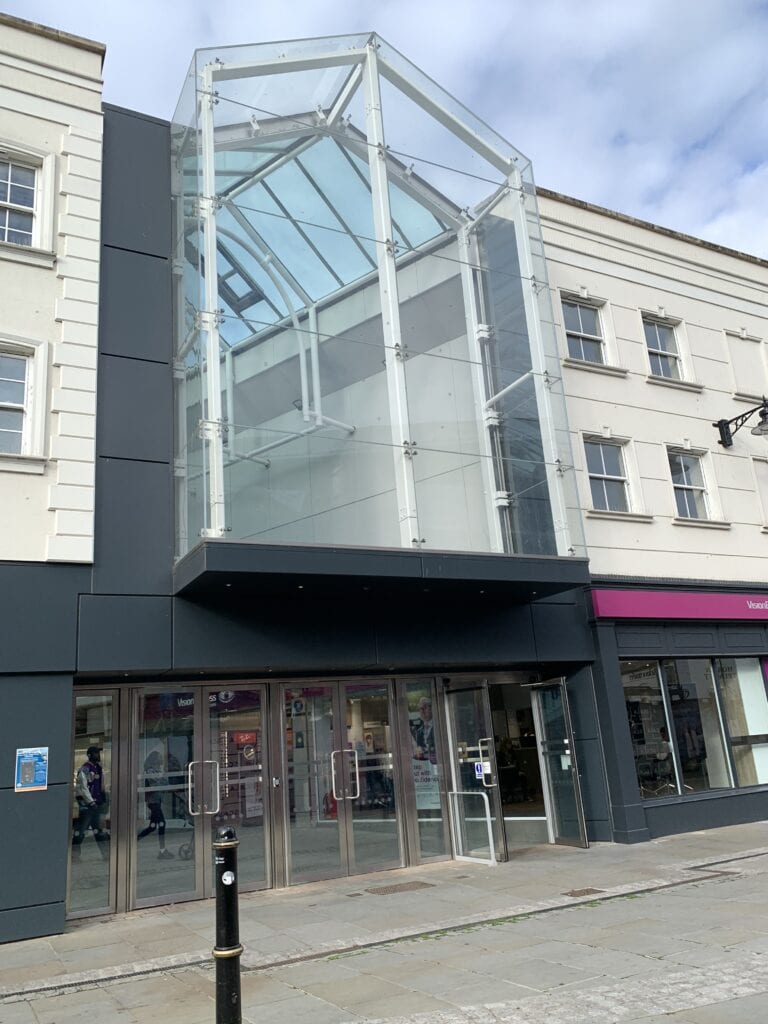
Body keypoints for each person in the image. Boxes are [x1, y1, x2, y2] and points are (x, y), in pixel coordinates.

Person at [137, 750, 174, 859]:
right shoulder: (150, 771)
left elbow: (165, 782)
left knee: (152, 827)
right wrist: (163, 779)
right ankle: (162, 851)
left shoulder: (157, 770)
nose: (161, 759)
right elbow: (158, 782)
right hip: (153, 801)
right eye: (159, 757)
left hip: (157, 800)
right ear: (154, 759)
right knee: (162, 823)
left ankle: (134, 840)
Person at [73, 745, 109, 846]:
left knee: (99, 829)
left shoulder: (98, 768)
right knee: (82, 828)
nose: (98, 755)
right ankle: (74, 851)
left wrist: (104, 799)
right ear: (89, 755)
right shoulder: (85, 768)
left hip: (97, 803)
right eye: (96, 753)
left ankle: (106, 851)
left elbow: (101, 785)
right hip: (88, 804)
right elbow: (83, 787)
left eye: (98, 753)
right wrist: (91, 802)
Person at [411, 696, 436, 764]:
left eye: (424, 708)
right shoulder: (418, 732)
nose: (422, 711)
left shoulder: (438, 727)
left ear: (431, 709)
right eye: (420, 709)